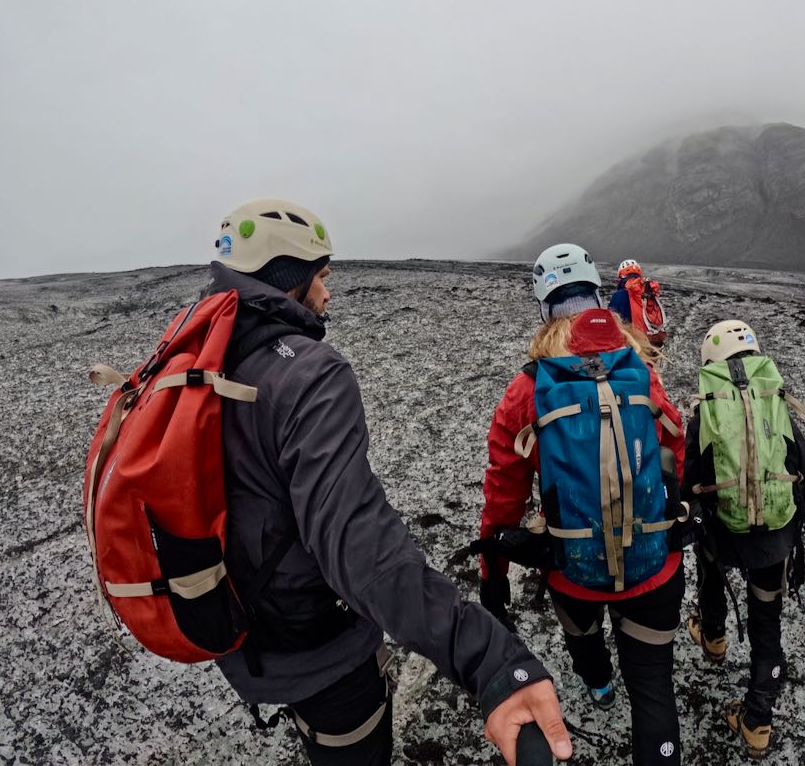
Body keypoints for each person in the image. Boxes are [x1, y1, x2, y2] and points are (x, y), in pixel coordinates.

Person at [207, 199, 572, 766]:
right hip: (318, 642)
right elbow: (359, 549)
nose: (328, 293)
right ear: (286, 278)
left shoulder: (203, 355)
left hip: (242, 625)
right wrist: (491, 660)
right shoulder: (309, 373)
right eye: (320, 277)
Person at [478, 243, 687, 766]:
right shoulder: (638, 367)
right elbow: (673, 445)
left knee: (585, 638)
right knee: (655, 691)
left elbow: (503, 493)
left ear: (544, 308)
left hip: (573, 567)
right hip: (653, 564)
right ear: (598, 297)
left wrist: (493, 572)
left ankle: (598, 687)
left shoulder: (528, 387)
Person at [681, 320, 805, 759]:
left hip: (723, 532)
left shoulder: (707, 409)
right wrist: (797, 524)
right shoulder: (775, 400)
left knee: (710, 571)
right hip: (775, 533)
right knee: (766, 621)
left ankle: (715, 638)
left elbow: (691, 475)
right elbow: (804, 464)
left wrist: (697, 510)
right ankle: (757, 720)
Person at [608, 259, 668, 347]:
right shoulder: (649, 294)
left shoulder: (620, 295)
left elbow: (611, 323)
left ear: (622, 276)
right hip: (651, 343)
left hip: (632, 345)